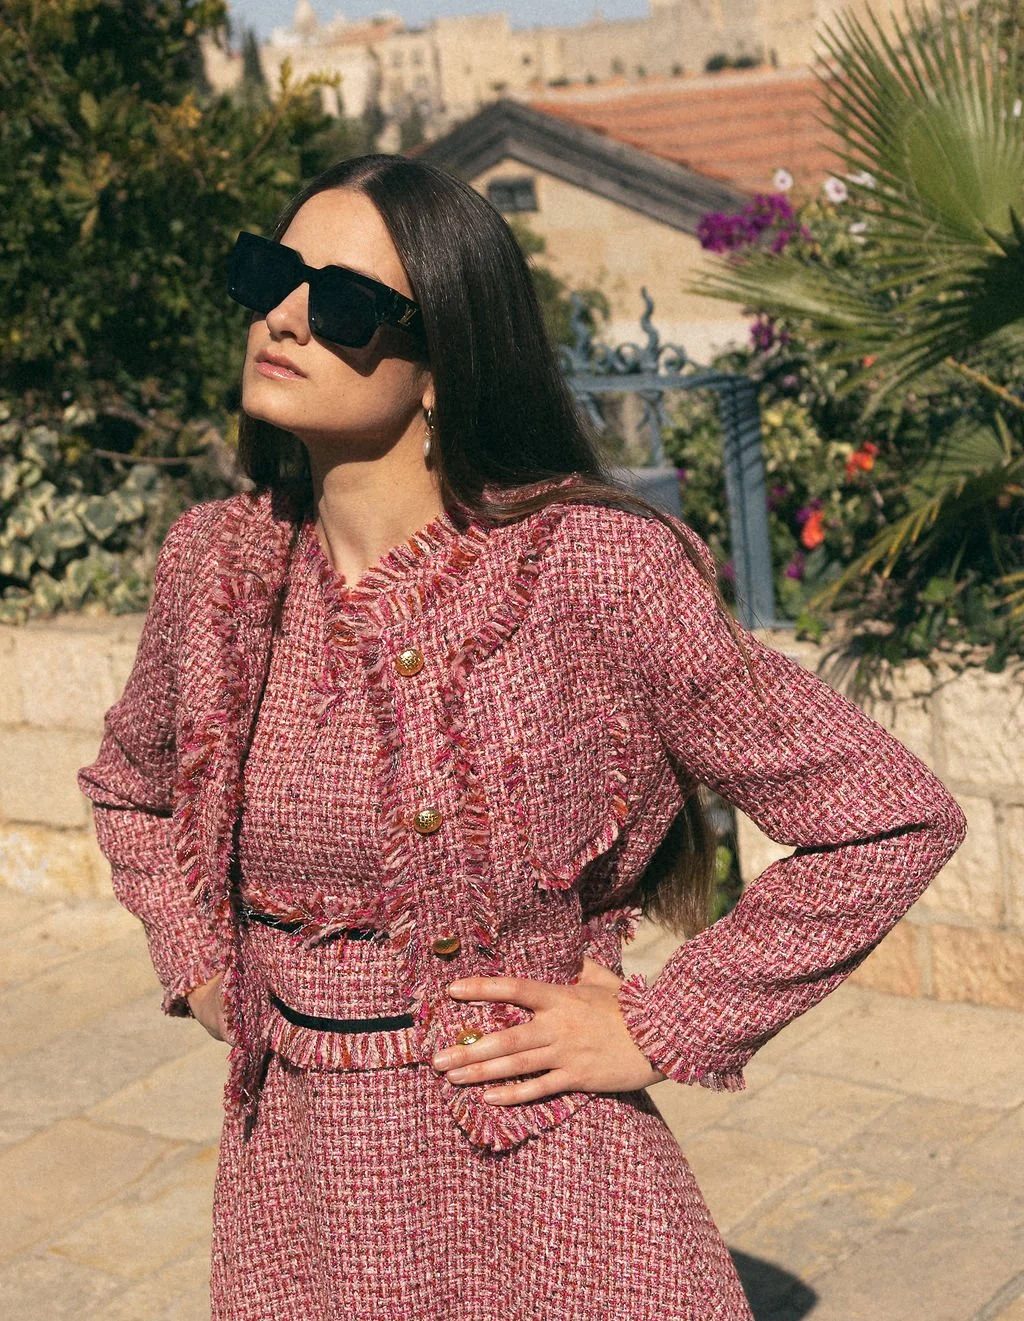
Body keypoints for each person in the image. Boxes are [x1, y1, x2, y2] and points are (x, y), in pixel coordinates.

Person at [77, 154, 968, 1320]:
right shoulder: (215, 567)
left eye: (342, 303)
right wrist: (198, 961)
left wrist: (660, 1023)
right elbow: (131, 789)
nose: (284, 315)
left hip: (542, 1177)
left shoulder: (591, 569)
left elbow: (890, 816)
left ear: (443, 362)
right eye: (271, 274)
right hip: (295, 1187)